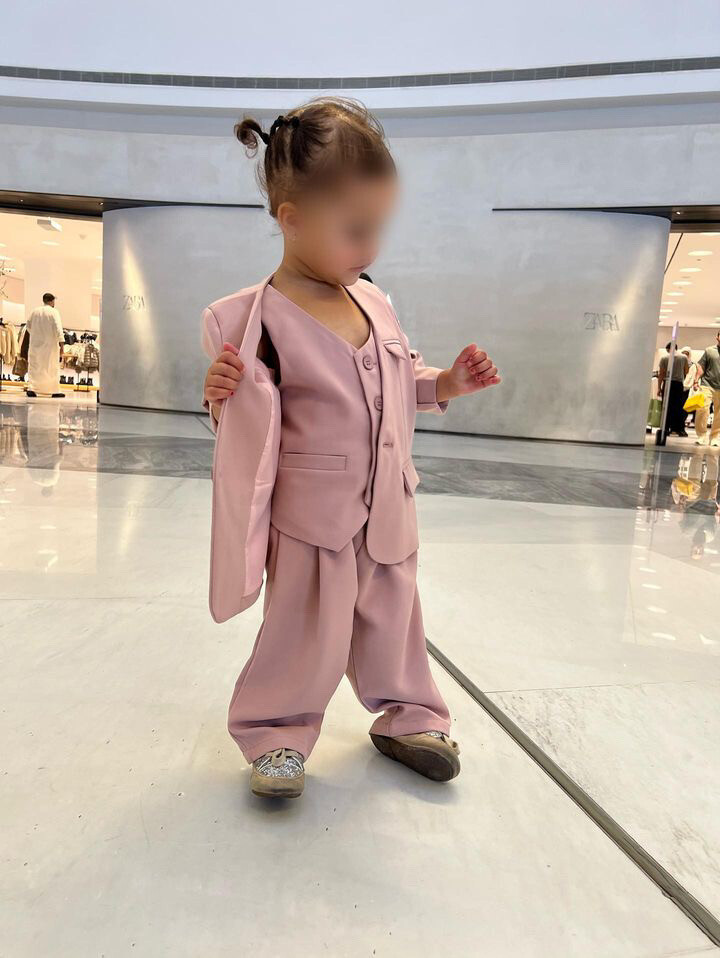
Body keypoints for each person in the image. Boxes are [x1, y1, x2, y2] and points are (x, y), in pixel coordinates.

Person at [201, 98, 501, 800]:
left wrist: (446, 384)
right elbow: (245, 423)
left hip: (388, 502)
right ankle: (275, 730)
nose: (370, 247)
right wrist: (219, 395)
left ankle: (411, 716)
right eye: (355, 230)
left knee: (396, 618)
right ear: (293, 219)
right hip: (311, 514)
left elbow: (401, 378)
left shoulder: (374, 301)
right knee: (303, 627)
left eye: (378, 228)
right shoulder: (250, 320)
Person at [26, 292, 64, 399]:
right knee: (51, 367)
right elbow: (58, 328)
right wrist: (62, 344)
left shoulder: (35, 311)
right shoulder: (54, 312)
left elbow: (28, 326)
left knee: (35, 366)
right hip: (50, 345)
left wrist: (35, 335)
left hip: (35, 344)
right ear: (52, 301)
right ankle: (54, 390)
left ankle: (32, 388)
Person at [693, 330, 720, 447]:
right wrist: (696, 381)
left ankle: (714, 437)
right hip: (707, 384)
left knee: (719, 414)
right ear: (717, 337)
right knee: (702, 409)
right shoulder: (709, 351)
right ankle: (701, 436)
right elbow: (701, 367)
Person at [657, 341, 689, 438]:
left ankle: (665, 428)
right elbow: (686, 371)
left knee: (666, 407)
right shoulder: (684, 357)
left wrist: (659, 387)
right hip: (678, 384)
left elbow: (661, 374)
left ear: (668, 349)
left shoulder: (664, 358)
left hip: (667, 383)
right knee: (678, 407)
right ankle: (680, 430)